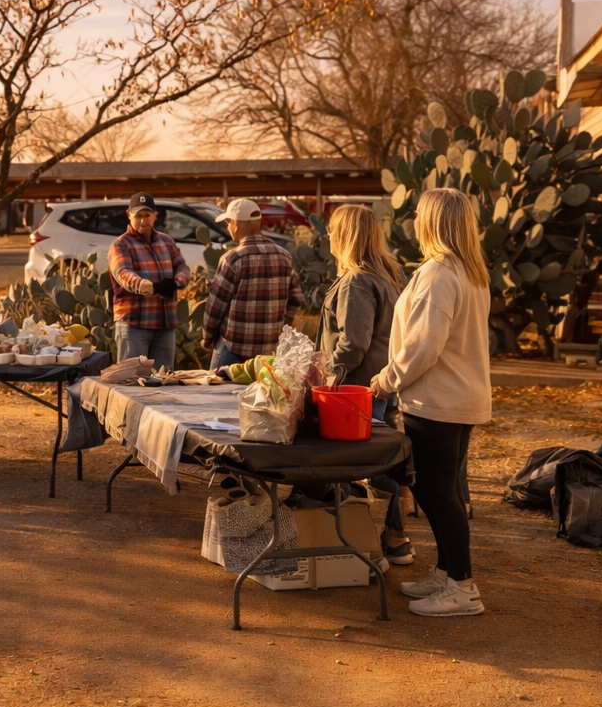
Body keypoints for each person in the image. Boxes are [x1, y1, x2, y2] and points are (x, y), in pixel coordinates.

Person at [370, 189, 491, 617]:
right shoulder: (468, 270)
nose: (415, 219)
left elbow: (423, 347)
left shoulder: (440, 273)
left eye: (420, 214)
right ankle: (446, 571)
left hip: (439, 400)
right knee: (431, 486)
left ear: (434, 221)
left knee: (438, 491)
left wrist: (385, 381)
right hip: (457, 397)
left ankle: (462, 586)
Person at [317, 205, 412, 564]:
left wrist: (326, 378)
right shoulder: (388, 276)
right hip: (378, 387)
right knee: (384, 464)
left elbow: (353, 343)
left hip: (353, 392)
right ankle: (394, 539)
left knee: (360, 470)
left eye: (332, 231)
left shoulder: (357, 280)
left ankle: (363, 543)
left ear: (345, 237)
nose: (327, 237)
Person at [203, 199, 302, 371]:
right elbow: (295, 297)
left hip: (233, 348)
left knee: (218, 395)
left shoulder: (232, 259)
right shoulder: (284, 255)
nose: (227, 227)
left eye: (228, 223)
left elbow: (216, 306)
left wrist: (207, 338)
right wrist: (281, 328)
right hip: (269, 351)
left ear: (234, 224)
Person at [107, 193, 189, 370]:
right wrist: (150, 287)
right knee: (132, 379)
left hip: (165, 324)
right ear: (129, 214)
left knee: (163, 379)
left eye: (147, 215)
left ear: (155, 215)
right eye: (138, 216)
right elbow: (124, 274)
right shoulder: (121, 244)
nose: (143, 221)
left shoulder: (166, 241)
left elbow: (181, 265)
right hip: (134, 325)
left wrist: (178, 281)